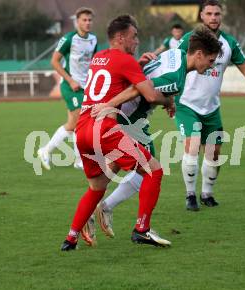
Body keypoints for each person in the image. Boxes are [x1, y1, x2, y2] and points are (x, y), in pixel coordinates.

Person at [82, 26, 222, 239]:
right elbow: (141, 88)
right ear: (199, 54)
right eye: (211, 60)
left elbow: (150, 77)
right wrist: (109, 105)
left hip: (131, 119)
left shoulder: (175, 53)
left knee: (115, 169)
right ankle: (117, 216)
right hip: (129, 120)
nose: (212, 66)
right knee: (150, 170)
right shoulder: (177, 78)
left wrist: (168, 100)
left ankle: (93, 212)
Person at [60, 15, 175, 251]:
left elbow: (115, 77)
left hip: (83, 129)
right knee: (154, 170)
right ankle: (142, 230)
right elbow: (150, 95)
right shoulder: (125, 61)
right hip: (105, 128)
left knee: (96, 187)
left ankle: (70, 238)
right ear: (120, 37)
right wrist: (169, 101)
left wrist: (138, 65)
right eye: (134, 36)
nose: (137, 41)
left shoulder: (99, 57)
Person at [177, 0, 245, 211]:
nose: (213, 18)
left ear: (221, 16)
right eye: (209, 13)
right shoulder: (190, 40)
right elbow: (174, 60)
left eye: (217, 14)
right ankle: (190, 195)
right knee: (192, 146)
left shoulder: (229, 43)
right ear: (201, 16)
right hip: (186, 104)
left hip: (211, 107)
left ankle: (207, 193)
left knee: (214, 153)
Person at [38, 7, 98, 170]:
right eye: (84, 20)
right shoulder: (69, 39)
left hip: (84, 87)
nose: (87, 23)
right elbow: (55, 62)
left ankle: (76, 159)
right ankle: (47, 151)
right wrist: (71, 80)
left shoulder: (93, 39)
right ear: (77, 22)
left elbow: (93, 63)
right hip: (70, 86)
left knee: (75, 124)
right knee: (77, 122)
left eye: (89, 20)